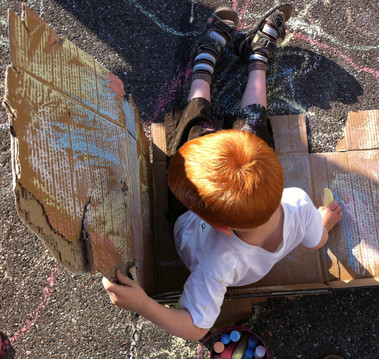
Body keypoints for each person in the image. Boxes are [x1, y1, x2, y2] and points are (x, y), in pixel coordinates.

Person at [102, 4, 343, 341]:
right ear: (276, 171)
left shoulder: (218, 262)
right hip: (236, 198)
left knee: (193, 128)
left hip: (187, 224)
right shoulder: (299, 204)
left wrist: (143, 304)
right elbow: (317, 238)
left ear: (214, 224)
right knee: (251, 124)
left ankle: (205, 64)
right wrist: (324, 224)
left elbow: (196, 327)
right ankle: (257, 58)